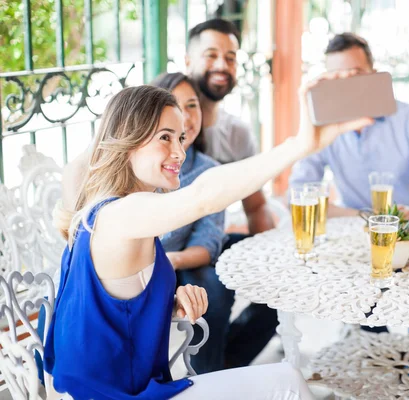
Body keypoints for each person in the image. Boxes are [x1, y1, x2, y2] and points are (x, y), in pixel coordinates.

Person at [44, 72, 372, 399]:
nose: (179, 152)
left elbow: (116, 306)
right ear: (129, 139)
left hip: (120, 386)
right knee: (289, 381)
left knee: (289, 378)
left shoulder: (111, 209)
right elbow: (204, 195)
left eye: (181, 139)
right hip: (116, 395)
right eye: (165, 137)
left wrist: (168, 304)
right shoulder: (119, 215)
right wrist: (301, 145)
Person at [151, 72, 278, 374]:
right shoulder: (147, 160)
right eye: (175, 106)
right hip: (142, 266)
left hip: (179, 258)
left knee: (268, 270)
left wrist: (172, 260)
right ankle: (215, 372)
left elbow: (208, 242)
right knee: (212, 287)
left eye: (192, 105)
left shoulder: (209, 169)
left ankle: (222, 366)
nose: (186, 116)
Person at [289, 32, 409, 220]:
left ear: (374, 74)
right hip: (352, 225)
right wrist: (368, 216)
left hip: (407, 225)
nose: (346, 84)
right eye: (336, 76)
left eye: (355, 73)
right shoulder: (323, 127)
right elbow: (298, 192)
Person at [185, 18, 275, 234]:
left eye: (230, 58)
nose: (221, 66)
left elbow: (256, 207)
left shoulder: (238, 133)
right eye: (211, 55)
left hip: (212, 244)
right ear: (188, 61)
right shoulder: (162, 127)